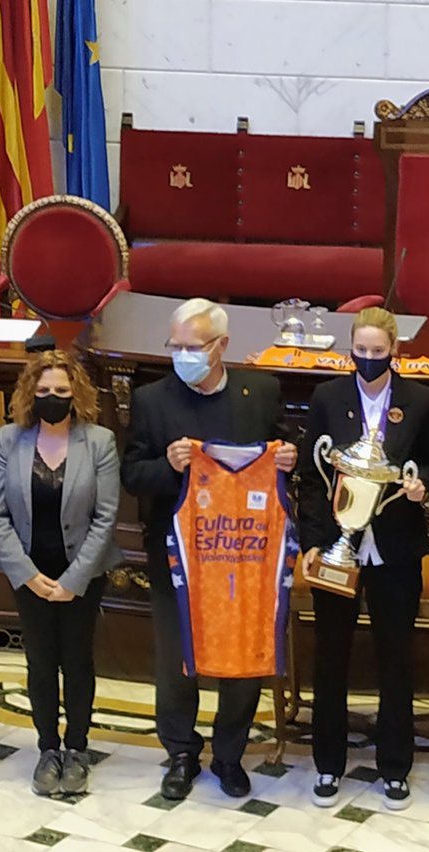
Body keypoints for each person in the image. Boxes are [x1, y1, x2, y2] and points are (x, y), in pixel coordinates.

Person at [121, 298, 297, 800]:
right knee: (177, 659)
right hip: (177, 559)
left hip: (244, 559)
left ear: (221, 346)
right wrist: (168, 466)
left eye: (192, 346)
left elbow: (286, 454)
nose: (181, 355)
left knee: (241, 656)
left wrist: (288, 457)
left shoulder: (259, 392)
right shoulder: (153, 399)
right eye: (174, 345)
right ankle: (180, 752)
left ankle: (229, 754)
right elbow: (133, 475)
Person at [298, 307, 429, 811]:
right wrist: (314, 540)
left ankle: (395, 767)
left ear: (394, 351)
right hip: (337, 546)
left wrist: (423, 484)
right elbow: (314, 478)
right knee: (330, 656)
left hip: (395, 548)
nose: (370, 359)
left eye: (380, 352)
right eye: (362, 350)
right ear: (350, 347)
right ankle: (328, 764)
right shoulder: (328, 397)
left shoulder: (418, 400)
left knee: (395, 657)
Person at [0, 350, 122, 796]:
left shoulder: (99, 441)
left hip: (81, 573)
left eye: (61, 391)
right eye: (43, 391)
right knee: (41, 663)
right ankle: (47, 748)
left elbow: (106, 517)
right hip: (29, 573)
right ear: (30, 393)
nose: (52, 398)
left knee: (77, 661)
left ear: (76, 393)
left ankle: (77, 749)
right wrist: (25, 573)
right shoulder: (10, 440)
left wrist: (74, 580)